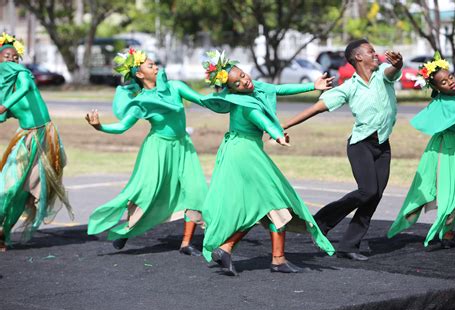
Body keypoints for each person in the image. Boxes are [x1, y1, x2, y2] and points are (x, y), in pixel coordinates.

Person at [198, 50, 335, 276]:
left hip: (245, 150)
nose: (244, 81)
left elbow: (279, 89)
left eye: (242, 75)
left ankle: (232, 249)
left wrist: (313, 86)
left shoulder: (256, 88)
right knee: (273, 201)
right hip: (243, 153)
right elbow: (259, 118)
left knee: (264, 204)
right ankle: (274, 258)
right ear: (230, 89)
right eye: (238, 83)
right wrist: (278, 134)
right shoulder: (244, 103)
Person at [281, 39, 404, 261]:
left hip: (383, 145)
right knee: (367, 191)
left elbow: (392, 72)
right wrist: (285, 125)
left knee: (374, 196)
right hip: (360, 145)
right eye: (371, 52)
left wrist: (399, 63)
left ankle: (348, 246)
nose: (376, 55)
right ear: (358, 57)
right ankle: (322, 221)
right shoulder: (349, 87)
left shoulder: (383, 75)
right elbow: (317, 108)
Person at [86, 48, 212, 255]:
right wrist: (100, 127)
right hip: (157, 149)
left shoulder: (176, 87)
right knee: (146, 193)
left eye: (155, 64)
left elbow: (204, 101)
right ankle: (126, 230)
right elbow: (122, 126)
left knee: (195, 190)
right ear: (139, 74)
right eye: (150, 65)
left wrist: (229, 94)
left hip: (183, 146)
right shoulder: (142, 100)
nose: (156, 67)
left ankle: (186, 243)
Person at [387, 52, 455, 248]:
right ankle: (446, 234)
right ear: (436, 88)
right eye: (443, 82)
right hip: (450, 150)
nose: (450, 82)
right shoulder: (450, 106)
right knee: (453, 194)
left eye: (450, 77)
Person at [0, 32, 73, 251]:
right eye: (7, 57)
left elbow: (23, 90)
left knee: (27, 192)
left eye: (15, 57)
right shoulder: (3, 92)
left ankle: (4, 235)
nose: (12, 60)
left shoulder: (24, 75)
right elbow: (7, 114)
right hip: (25, 138)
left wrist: (3, 106)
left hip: (43, 137)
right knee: (8, 186)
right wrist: (4, 108)